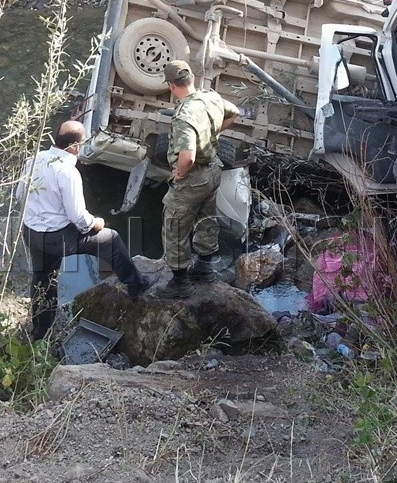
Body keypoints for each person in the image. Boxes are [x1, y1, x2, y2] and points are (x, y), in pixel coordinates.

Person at [15, 120, 152, 340]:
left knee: (43, 279)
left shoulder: (34, 160)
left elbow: (19, 195)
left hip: (31, 232)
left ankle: (40, 333)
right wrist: (95, 223)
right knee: (111, 239)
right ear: (75, 146)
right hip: (58, 238)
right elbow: (78, 216)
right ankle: (136, 285)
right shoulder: (68, 172)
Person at [156, 61, 241, 300]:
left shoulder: (184, 115)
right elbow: (234, 112)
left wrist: (180, 173)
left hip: (193, 177)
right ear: (192, 79)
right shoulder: (210, 97)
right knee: (206, 218)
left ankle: (180, 282)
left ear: (171, 86)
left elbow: (188, 157)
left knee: (174, 225)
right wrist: (212, 133)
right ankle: (204, 268)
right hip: (213, 170)